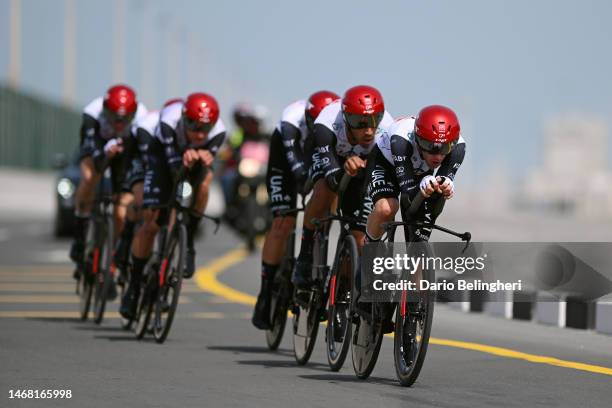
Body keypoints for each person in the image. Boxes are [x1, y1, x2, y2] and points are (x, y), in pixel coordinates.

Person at [119, 93, 226, 319]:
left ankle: (189, 243)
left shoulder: (219, 132)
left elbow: (206, 162)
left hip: (189, 157)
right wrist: (185, 158)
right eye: (193, 126)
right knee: (152, 220)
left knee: (205, 182)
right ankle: (134, 286)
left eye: (204, 129)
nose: (199, 134)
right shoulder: (168, 121)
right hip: (162, 156)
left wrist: (202, 157)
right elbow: (172, 166)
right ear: (183, 120)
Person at [252, 90, 340, 329]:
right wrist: (307, 181)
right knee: (283, 222)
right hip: (286, 159)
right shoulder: (291, 121)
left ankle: (316, 247)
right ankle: (266, 289)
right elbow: (297, 168)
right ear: (307, 119)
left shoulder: (336, 124)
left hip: (317, 153)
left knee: (330, 193)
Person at [291, 85, 394, 289]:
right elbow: (332, 180)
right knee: (323, 191)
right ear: (346, 118)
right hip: (333, 157)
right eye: (360, 123)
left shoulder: (387, 131)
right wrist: (343, 168)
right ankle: (305, 254)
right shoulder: (326, 124)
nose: (369, 130)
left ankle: (343, 289)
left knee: (358, 234)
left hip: (365, 163)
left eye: (375, 121)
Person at [70, 85, 148, 287]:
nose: (119, 123)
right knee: (89, 177)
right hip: (98, 145)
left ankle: (115, 258)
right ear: (106, 111)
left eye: (124, 119)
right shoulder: (92, 113)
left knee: (122, 206)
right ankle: (80, 231)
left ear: (133, 114)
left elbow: (141, 158)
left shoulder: (142, 118)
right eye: (114, 117)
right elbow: (88, 148)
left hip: (126, 153)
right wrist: (104, 154)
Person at [366, 105, 466, 244]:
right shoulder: (401, 138)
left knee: (418, 239)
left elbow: (442, 182)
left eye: (444, 148)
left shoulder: (458, 147)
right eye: (430, 146)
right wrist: (423, 184)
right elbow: (408, 191)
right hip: (385, 165)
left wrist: (445, 184)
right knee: (387, 208)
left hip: (419, 172)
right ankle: (369, 247)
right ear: (418, 140)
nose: (437, 156)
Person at [112, 98, 184, 272]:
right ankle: (127, 235)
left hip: (165, 163)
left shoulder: (184, 129)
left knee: (172, 201)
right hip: (141, 160)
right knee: (142, 201)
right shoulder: (148, 124)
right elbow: (149, 164)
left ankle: (164, 252)